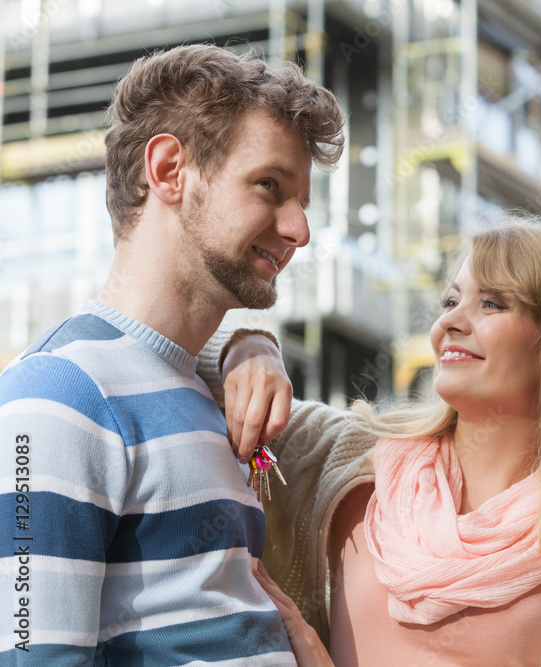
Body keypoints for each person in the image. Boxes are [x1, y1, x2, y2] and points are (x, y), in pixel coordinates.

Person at [197, 217, 541, 666]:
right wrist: (249, 346)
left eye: (492, 303)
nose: (450, 320)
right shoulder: (348, 459)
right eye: (451, 299)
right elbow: (161, 343)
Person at [0, 44, 344, 664]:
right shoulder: (55, 397)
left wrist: (248, 346)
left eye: (302, 203)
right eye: (269, 186)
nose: (300, 229)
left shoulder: (209, 391)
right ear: (169, 171)